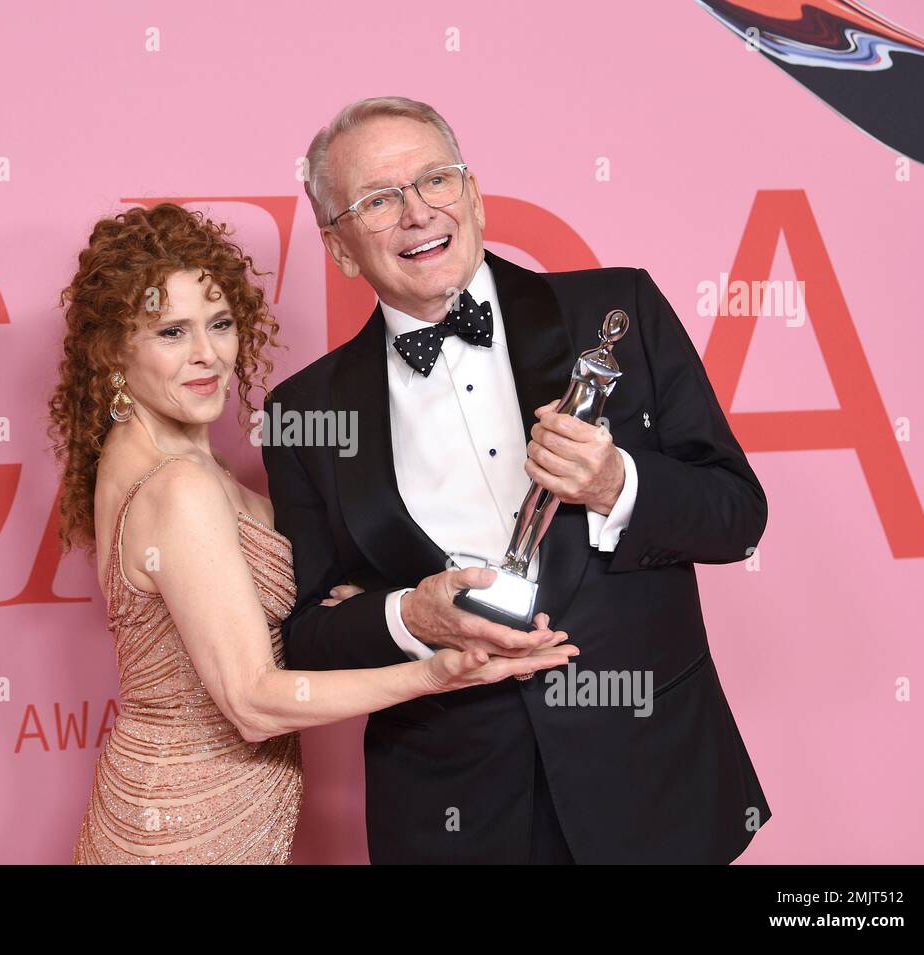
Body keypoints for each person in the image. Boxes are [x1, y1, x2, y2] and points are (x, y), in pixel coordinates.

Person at [262, 96, 773, 863]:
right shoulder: (302, 411)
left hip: (650, 776)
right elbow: (306, 634)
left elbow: (737, 515)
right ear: (338, 247)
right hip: (451, 807)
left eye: (435, 180)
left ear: (473, 194)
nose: (416, 213)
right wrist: (408, 616)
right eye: (377, 200)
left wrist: (618, 485)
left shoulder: (617, 308)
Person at [46, 202, 578, 864]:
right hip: (184, 825)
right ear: (113, 350)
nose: (207, 354)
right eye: (171, 333)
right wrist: (437, 672)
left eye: (218, 323)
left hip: (203, 804)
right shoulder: (177, 488)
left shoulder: (155, 458)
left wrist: (356, 601)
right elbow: (252, 701)